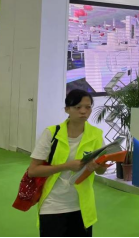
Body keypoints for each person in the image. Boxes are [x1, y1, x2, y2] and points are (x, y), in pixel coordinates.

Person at [29, 89, 106, 237]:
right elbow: (33, 170)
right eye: (78, 107)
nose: (83, 111)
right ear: (67, 109)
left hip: (82, 207)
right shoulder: (51, 133)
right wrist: (66, 166)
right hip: (53, 205)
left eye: (88, 107)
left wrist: (98, 166)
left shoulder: (96, 135)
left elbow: (101, 171)